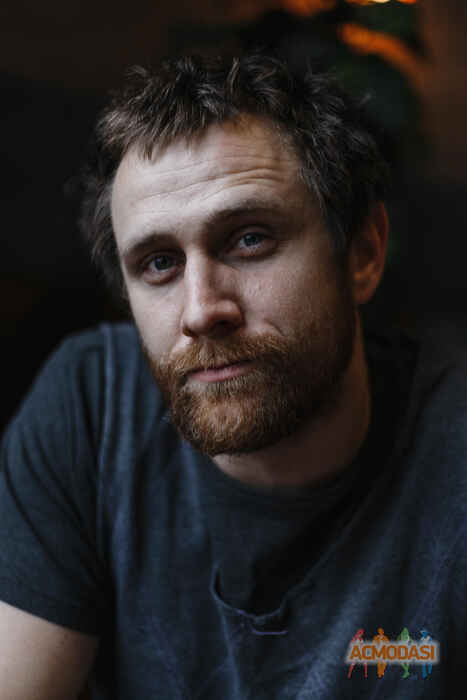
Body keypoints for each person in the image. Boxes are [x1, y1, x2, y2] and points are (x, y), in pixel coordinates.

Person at [0, 51, 466, 700]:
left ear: (362, 253)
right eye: (158, 263)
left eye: (249, 239)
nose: (200, 311)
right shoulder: (92, 406)